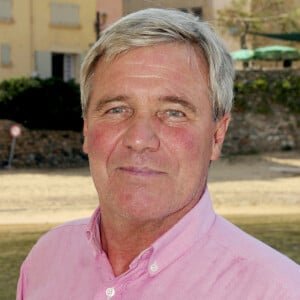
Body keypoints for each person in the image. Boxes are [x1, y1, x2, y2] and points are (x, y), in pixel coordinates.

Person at [17, 8, 300, 300]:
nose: (139, 139)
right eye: (116, 109)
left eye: (173, 113)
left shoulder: (278, 291)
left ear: (217, 136)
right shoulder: (44, 263)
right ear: (87, 129)